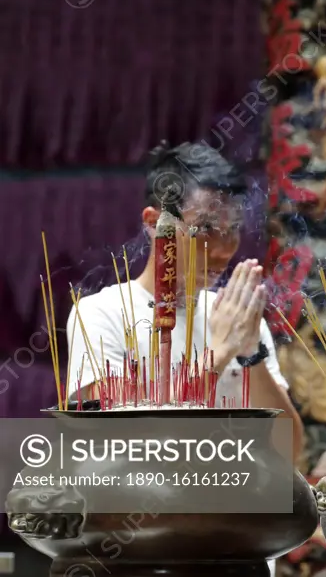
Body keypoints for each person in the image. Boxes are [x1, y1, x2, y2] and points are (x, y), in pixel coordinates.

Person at [66, 142, 304, 459]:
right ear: (154, 223)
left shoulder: (235, 317)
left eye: (232, 230)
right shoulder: (101, 314)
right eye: (204, 229)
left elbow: (288, 452)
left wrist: (250, 353)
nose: (222, 251)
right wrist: (219, 353)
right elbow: (125, 444)